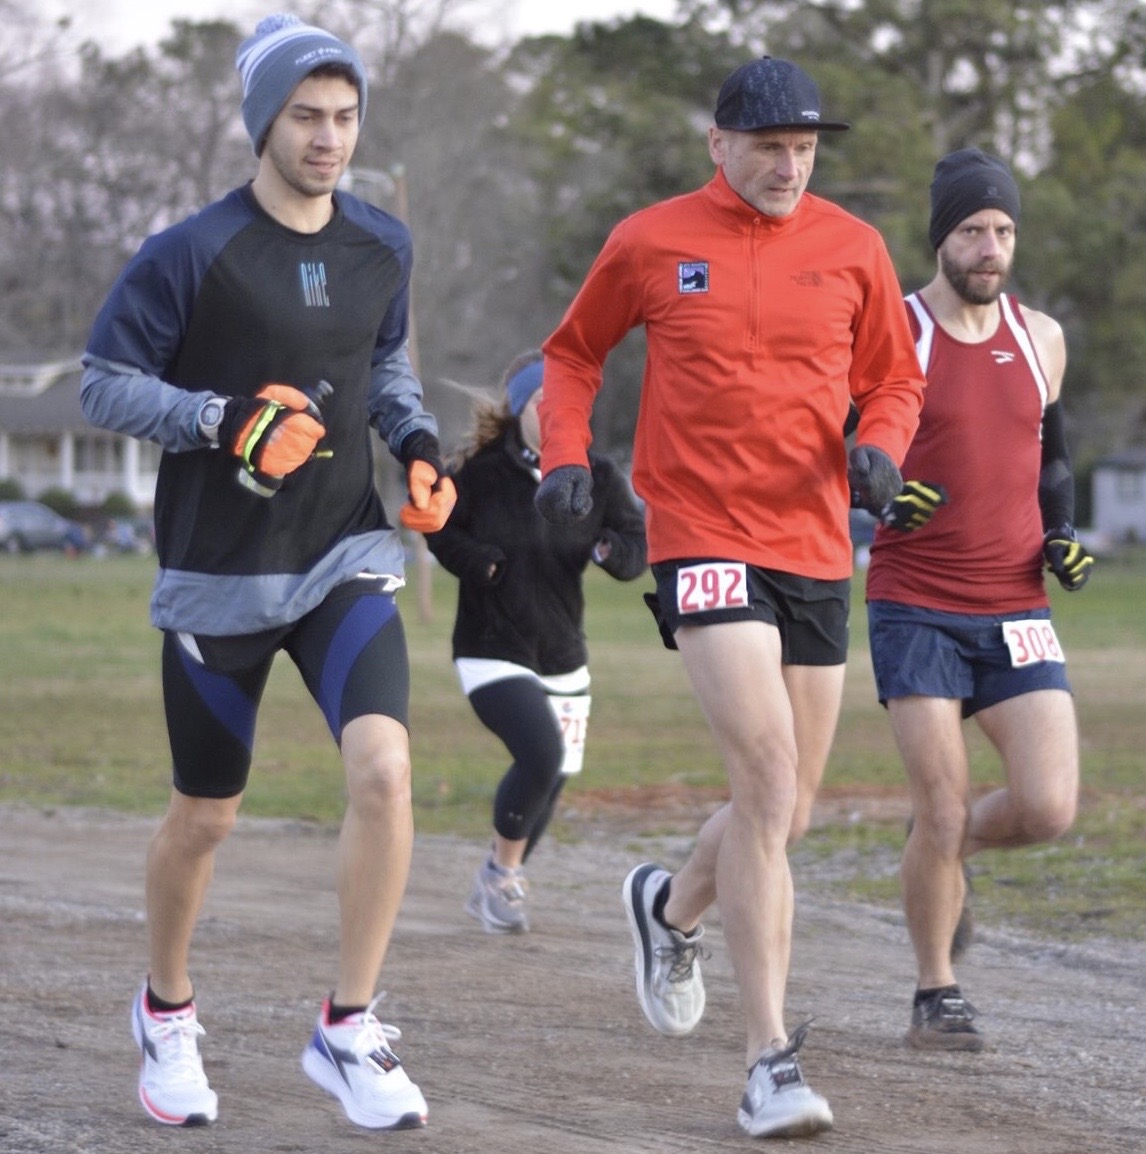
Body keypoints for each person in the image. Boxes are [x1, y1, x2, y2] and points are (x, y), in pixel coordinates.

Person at [535, 57, 926, 1139]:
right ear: (719, 145)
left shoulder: (854, 247)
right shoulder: (651, 240)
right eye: (768, 148)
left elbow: (895, 377)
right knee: (764, 780)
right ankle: (768, 1059)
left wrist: (883, 445)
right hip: (701, 533)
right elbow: (571, 356)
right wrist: (563, 456)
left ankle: (667, 908)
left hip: (815, 544)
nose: (789, 167)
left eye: (803, 149)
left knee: (788, 808)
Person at [79, 14, 455, 1131]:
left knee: (384, 771)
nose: (328, 138)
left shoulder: (383, 244)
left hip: (343, 554)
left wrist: (418, 444)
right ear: (263, 122)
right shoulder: (190, 252)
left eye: (345, 117)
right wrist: (223, 420)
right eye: (305, 117)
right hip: (219, 576)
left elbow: (381, 366)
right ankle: (166, 1009)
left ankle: (347, 1025)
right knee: (206, 815)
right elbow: (103, 383)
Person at [864, 147, 1095, 1053]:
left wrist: (1062, 532)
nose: (989, 247)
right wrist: (881, 497)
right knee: (944, 804)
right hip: (914, 602)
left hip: (1016, 605)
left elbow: (1052, 455)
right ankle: (936, 991)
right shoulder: (898, 330)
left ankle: (939, 848)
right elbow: (843, 448)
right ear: (940, 238)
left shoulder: (1041, 337)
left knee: (1046, 808)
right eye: (971, 230)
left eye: (1001, 230)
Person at [423, 350, 647, 934]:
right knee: (541, 753)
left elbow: (636, 547)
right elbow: (439, 532)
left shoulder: (595, 476)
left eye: (567, 403)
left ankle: (500, 875)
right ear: (520, 407)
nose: (554, 414)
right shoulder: (478, 472)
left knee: (555, 772)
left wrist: (609, 550)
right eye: (543, 402)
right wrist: (481, 563)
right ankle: (502, 877)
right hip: (489, 646)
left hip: (563, 650)